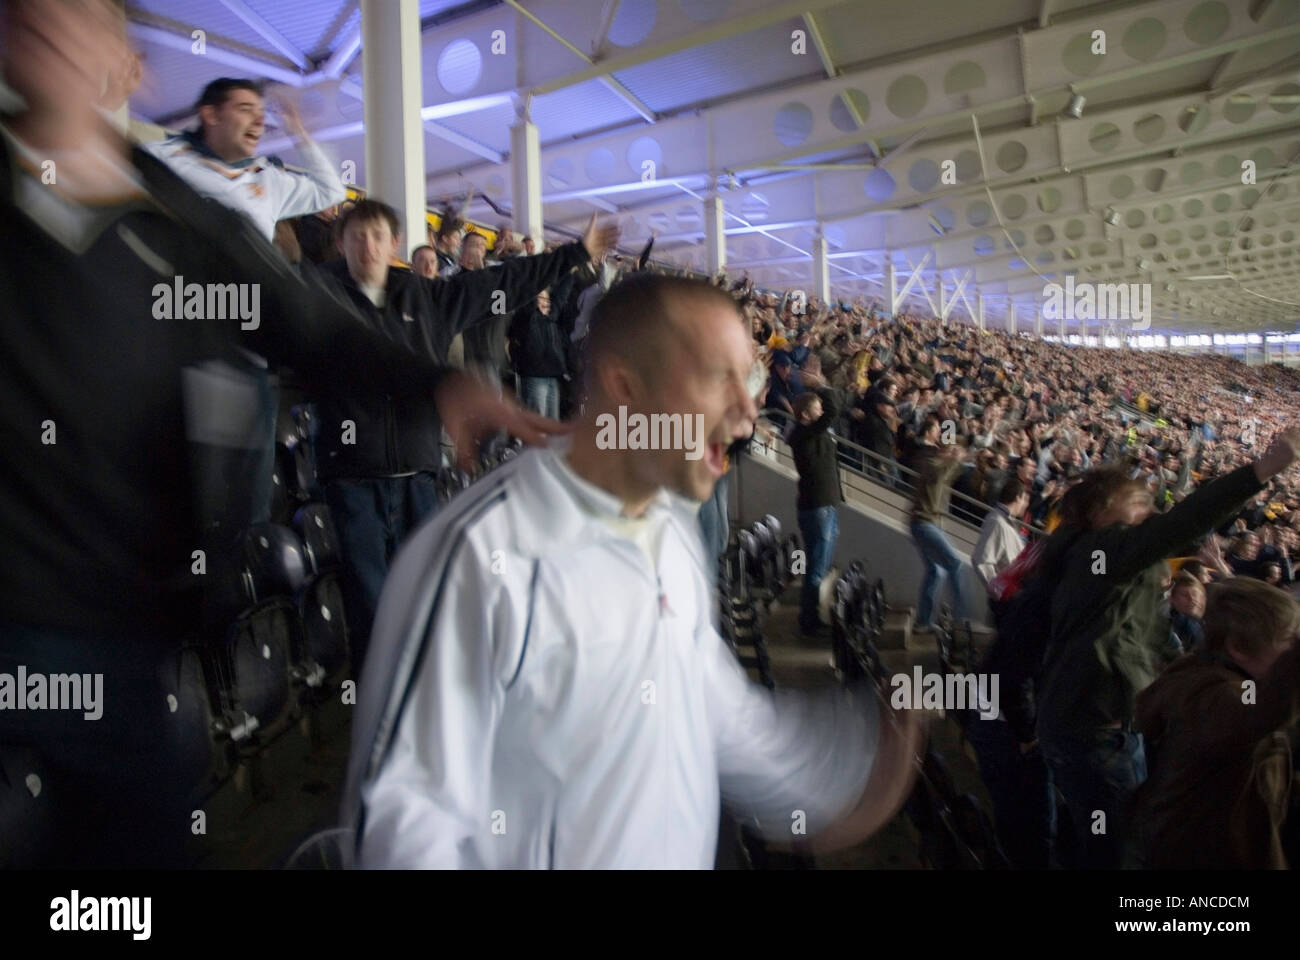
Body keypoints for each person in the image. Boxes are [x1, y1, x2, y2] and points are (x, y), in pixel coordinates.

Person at [0, 0, 552, 868]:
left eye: (78, 13)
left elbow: (308, 326)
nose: (45, 20)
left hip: (112, 631)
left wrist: (443, 383)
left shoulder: (177, 223)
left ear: (126, 64)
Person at [343, 273, 923, 869]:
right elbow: (402, 825)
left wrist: (832, 782)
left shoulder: (670, 532)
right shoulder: (480, 557)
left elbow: (715, 709)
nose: (749, 414)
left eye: (746, 379)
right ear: (625, 388)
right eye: (718, 378)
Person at [313, 201, 614, 677]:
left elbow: (502, 282)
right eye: (355, 236)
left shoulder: (425, 299)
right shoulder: (320, 297)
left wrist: (573, 253)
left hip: (417, 473)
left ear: (393, 244)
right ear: (340, 243)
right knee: (369, 607)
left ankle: (427, 698)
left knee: (427, 594)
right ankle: (377, 711)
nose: (366, 246)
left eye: (376, 236)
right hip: (352, 479)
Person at [1034, 425, 1300, 869]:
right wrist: (1263, 470)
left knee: (1103, 831)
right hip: (1096, 730)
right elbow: (1182, 522)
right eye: (1140, 505)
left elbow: (1146, 635)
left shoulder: (1103, 566)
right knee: (1115, 846)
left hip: (1095, 723)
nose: (1151, 512)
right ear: (1103, 513)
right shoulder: (1099, 553)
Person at [1132, 578, 1300, 868]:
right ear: (1238, 648)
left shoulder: (1229, 677)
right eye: (1289, 639)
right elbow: (1255, 713)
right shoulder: (1209, 695)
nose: (1294, 645)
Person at [789, 370, 843, 637]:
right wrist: (822, 385)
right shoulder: (803, 434)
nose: (822, 412)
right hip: (816, 506)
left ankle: (811, 614)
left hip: (825, 503)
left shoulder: (809, 432)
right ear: (806, 416)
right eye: (817, 409)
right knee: (816, 566)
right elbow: (834, 411)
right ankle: (808, 619)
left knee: (819, 562)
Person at [907, 417, 971, 633]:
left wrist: (958, 458)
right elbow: (937, 474)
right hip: (923, 522)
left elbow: (952, 473)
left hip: (930, 522)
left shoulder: (942, 463)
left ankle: (924, 622)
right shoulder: (929, 460)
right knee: (955, 564)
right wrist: (953, 457)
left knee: (937, 571)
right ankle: (960, 619)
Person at [971, 478, 1029, 604]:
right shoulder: (997, 522)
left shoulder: (1005, 521)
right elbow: (981, 560)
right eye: (1025, 499)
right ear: (1018, 497)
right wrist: (1002, 592)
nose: (1026, 504)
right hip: (1006, 597)